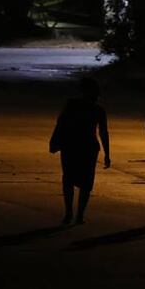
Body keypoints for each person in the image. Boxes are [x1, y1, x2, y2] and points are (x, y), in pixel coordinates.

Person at [49, 77, 110, 225]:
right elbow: (103, 132)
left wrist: (55, 141)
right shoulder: (97, 110)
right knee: (85, 181)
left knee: (69, 179)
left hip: (72, 146)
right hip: (85, 147)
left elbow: (60, 123)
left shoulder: (73, 105)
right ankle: (78, 214)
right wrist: (107, 153)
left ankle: (71, 213)